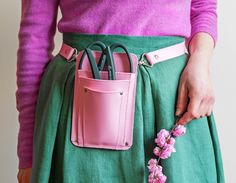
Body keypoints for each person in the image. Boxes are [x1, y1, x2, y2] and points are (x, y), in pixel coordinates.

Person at [16, 0, 225, 183]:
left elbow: (202, 6)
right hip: (75, 106)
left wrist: (201, 60)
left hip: (170, 98)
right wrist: (28, 152)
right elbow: (34, 38)